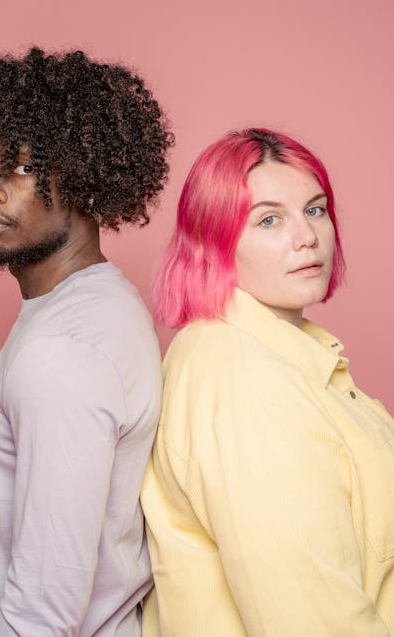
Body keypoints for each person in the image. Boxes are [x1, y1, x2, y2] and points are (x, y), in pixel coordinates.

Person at [0, 46, 174, 637]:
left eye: (21, 167)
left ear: (85, 178)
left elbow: (44, 611)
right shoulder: (92, 305)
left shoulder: (67, 351)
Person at [141, 128, 394, 636]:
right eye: (270, 219)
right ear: (214, 241)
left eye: (315, 209)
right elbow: (312, 620)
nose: (307, 236)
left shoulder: (279, 351)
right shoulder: (244, 381)